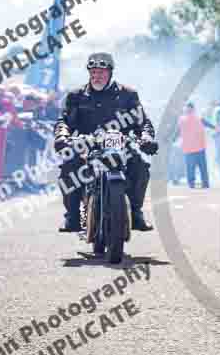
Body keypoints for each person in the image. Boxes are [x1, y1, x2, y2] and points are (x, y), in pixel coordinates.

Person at [53, 52, 159, 233]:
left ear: (110, 72)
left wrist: (146, 138)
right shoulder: (76, 96)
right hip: (87, 145)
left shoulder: (128, 94)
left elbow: (143, 122)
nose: (97, 76)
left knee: (140, 166)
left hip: (121, 145)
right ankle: (72, 216)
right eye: (93, 72)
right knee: (69, 167)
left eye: (101, 72)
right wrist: (62, 137)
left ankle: (136, 212)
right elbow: (64, 121)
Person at [178, 101, 215, 189]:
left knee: (190, 168)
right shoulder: (199, 118)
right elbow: (210, 125)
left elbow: (176, 132)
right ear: (194, 109)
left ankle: (191, 184)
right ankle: (205, 183)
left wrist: (169, 140)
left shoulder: (182, 120)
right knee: (202, 167)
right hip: (199, 148)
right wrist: (217, 129)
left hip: (189, 149)